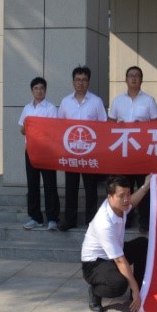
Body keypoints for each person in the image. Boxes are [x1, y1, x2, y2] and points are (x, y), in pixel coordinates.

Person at [81, 174, 150, 312]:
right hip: (94, 264)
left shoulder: (120, 206)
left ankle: (135, 292)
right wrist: (135, 289)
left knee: (143, 244)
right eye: (121, 196)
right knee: (119, 284)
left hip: (112, 255)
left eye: (128, 194)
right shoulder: (104, 223)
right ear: (110, 196)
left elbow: (132, 202)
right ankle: (95, 291)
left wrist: (145, 185)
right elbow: (120, 260)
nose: (126, 199)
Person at [108, 66, 157, 233]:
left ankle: (145, 222)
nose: (134, 78)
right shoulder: (117, 100)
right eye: (130, 76)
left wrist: (142, 126)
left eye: (137, 76)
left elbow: (156, 125)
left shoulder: (149, 100)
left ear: (141, 80)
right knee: (124, 186)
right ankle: (125, 219)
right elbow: (109, 125)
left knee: (144, 186)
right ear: (126, 79)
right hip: (124, 151)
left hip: (142, 151)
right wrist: (119, 125)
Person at [57, 66, 107, 231]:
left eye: (84, 80)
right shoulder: (65, 102)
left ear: (88, 82)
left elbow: (103, 126)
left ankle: (91, 220)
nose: (80, 83)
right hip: (70, 152)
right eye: (77, 80)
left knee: (91, 188)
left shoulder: (96, 101)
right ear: (73, 82)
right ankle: (70, 220)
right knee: (71, 187)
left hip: (90, 152)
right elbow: (59, 126)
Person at [18, 77, 59, 230]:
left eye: (42, 88)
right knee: (32, 185)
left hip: (47, 152)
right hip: (31, 151)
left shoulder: (51, 108)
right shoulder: (27, 108)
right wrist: (28, 127)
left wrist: (38, 127)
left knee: (50, 185)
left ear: (45, 90)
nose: (39, 91)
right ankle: (35, 217)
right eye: (36, 88)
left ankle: (53, 218)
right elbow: (22, 130)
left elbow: (53, 130)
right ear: (32, 91)